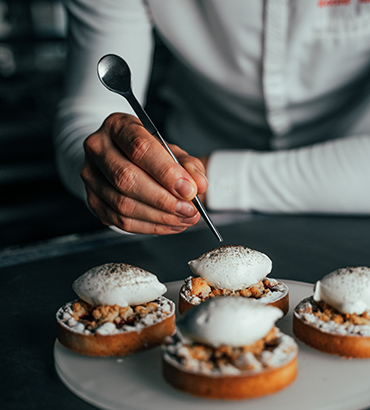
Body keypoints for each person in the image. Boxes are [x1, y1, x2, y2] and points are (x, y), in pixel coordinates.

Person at [54, 0, 370, 236]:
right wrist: (115, 175)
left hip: (353, 207)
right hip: (186, 225)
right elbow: (90, 115)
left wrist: (210, 179)